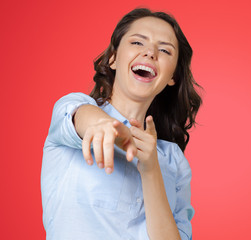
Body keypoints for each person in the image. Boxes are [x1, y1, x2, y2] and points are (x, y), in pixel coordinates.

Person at [41, 8, 202, 240]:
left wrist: (151, 170)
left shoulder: (173, 160)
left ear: (172, 77)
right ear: (113, 59)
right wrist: (104, 125)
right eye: (137, 42)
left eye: (165, 50)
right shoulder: (76, 108)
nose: (150, 53)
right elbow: (81, 118)